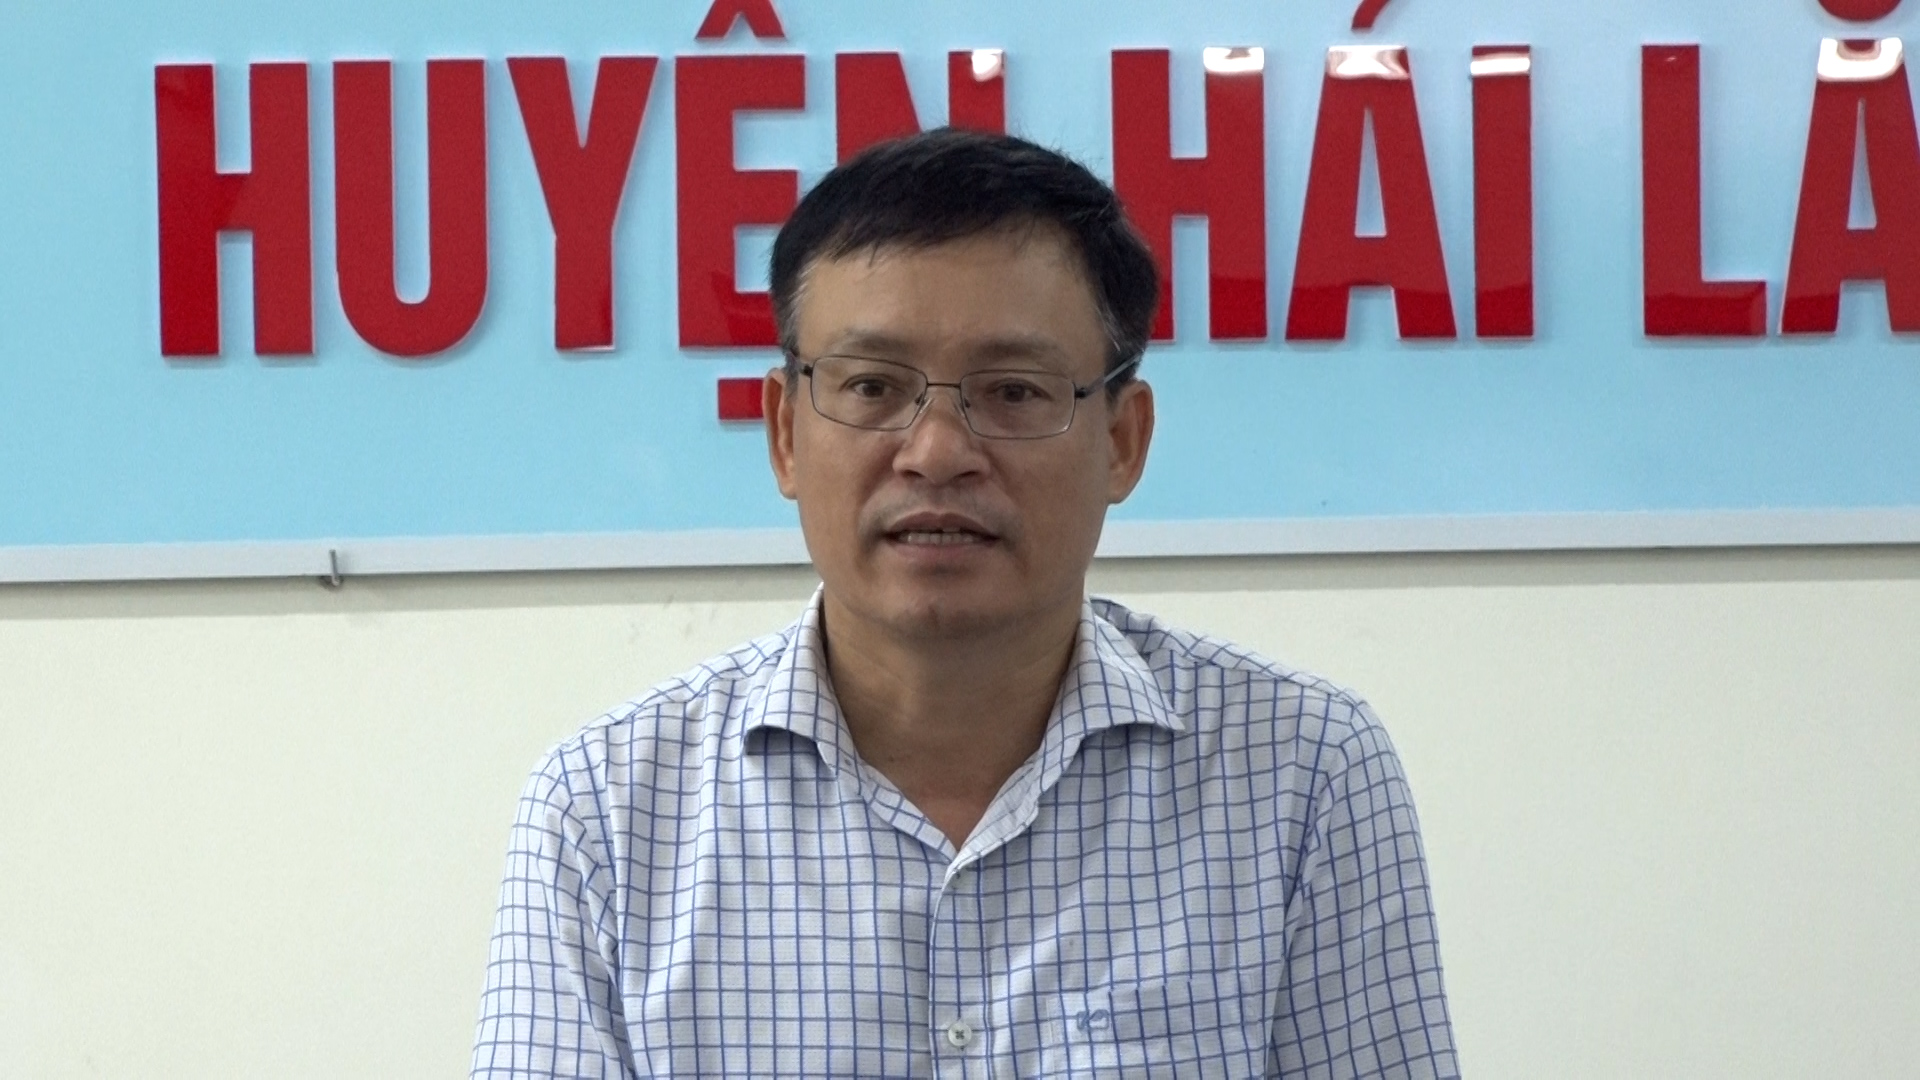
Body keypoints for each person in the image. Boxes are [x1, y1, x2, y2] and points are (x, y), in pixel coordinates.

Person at [471, 128, 1459, 1079]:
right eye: (871, 387)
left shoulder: (1302, 774)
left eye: (1014, 392)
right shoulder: (608, 812)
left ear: (1122, 441)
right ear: (784, 433)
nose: (938, 452)